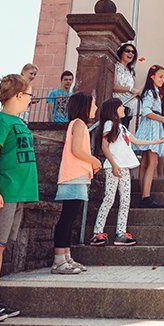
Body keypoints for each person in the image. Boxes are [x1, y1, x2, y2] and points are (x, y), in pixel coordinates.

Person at [0, 75, 38, 322]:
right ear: (20, 95)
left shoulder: (18, 122)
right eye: (30, 95)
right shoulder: (0, 121)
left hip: (19, 192)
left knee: (0, 247)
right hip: (5, 191)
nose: (31, 100)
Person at [90, 99, 164, 246]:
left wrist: (156, 142)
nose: (123, 109)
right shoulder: (109, 124)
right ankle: (97, 232)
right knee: (109, 199)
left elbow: (136, 141)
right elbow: (104, 147)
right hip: (114, 167)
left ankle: (121, 232)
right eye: (120, 106)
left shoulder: (122, 127)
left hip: (125, 167)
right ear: (113, 109)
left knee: (126, 201)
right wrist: (113, 165)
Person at [50, 92, 101, 274]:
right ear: (84, 106)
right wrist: (94, 160)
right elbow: (77, 150)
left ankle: (66, 257)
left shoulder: (78, 124)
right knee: (67, 218)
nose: (95, 108)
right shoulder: (79, 124)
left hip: (76, 176)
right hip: (73, 177)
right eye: (93, 104)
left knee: (70, 218)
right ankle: (59, 261)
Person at [132, 66, 164, 208]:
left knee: (145, 161)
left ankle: (143, 193)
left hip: (152, 125)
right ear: (152, 77)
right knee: (152, 161)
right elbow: (146, 111)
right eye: (160, 76)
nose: (163, 79)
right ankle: (145, 196)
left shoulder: (154, 91)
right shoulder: (151, 92)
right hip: (151, 126)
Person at [113, 43, 139, 128]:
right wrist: (130, 89)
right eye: (127, 51)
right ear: (121, 53)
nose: (131, 54)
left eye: (133, 52)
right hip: (118, 104)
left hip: (128, 106)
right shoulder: (115, 66)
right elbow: (113, 86)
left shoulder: (131, 71)